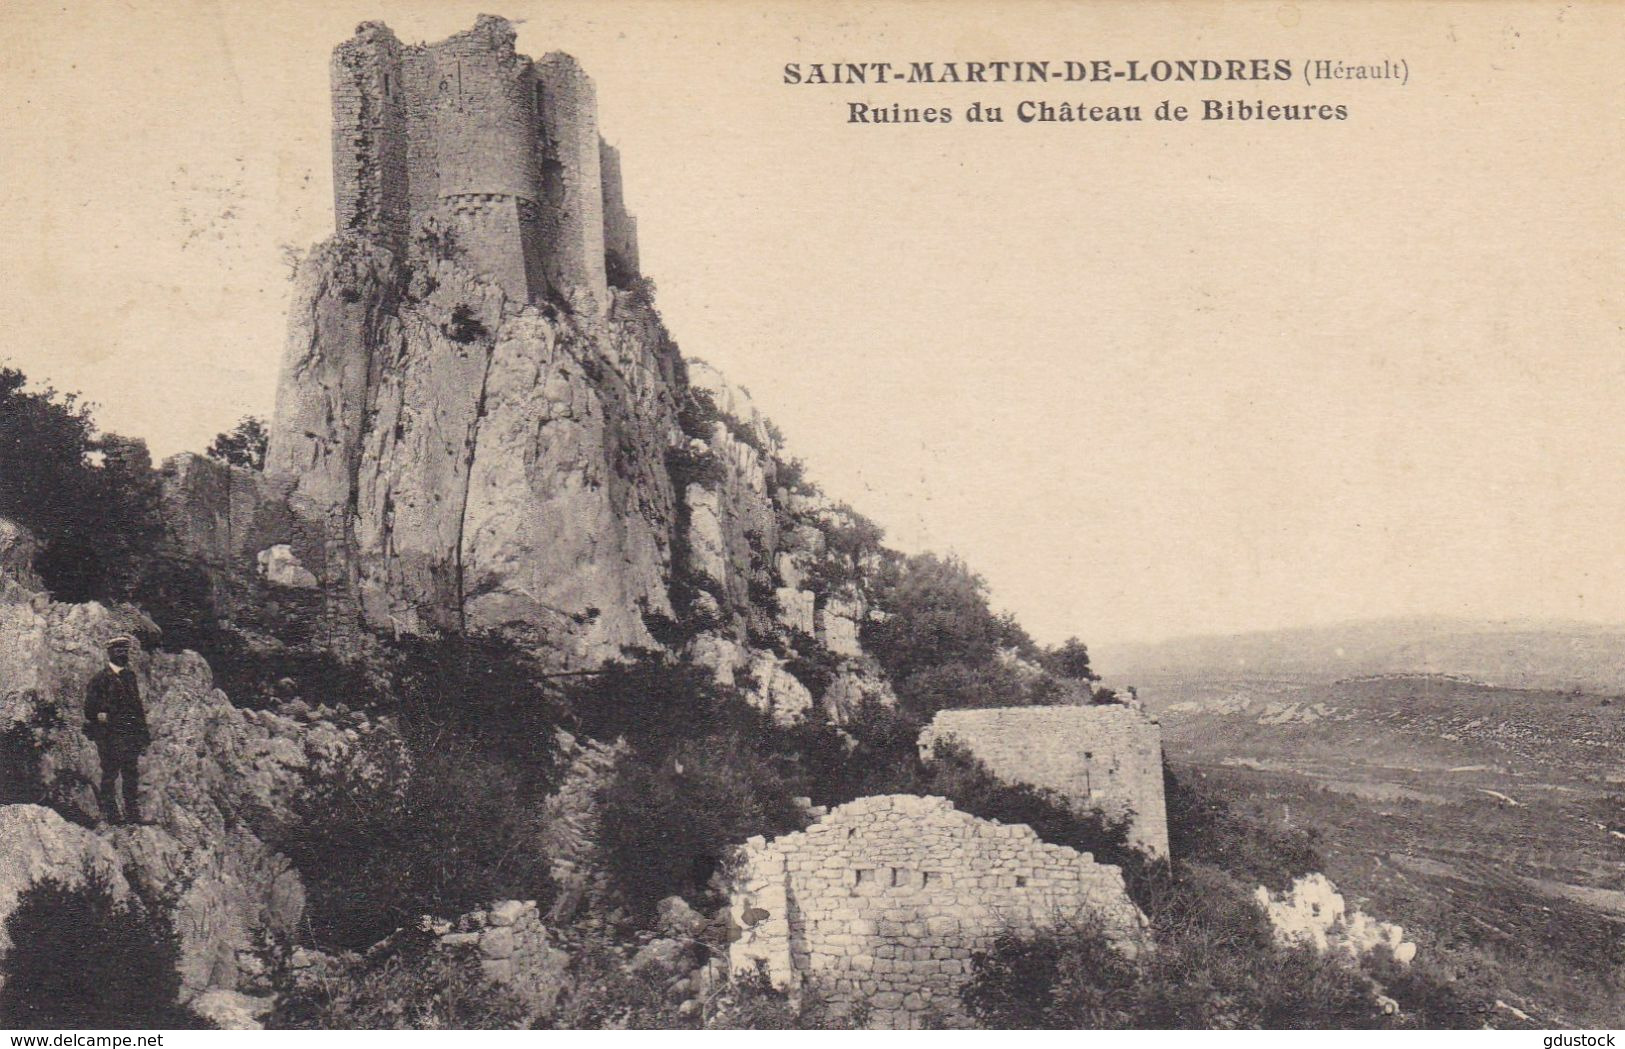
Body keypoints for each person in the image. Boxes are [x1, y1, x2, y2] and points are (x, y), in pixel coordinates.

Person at [84, 635, 150, 825]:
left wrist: (143, 734)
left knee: (131, 774)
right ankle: (112, 815)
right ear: (110, 653)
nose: (122, 654)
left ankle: (133, 815)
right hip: (109, 736)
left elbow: (137, 707)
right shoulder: (100, 679)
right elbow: (89, 708)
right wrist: (99, 714)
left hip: (129, 735)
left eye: (124, 650)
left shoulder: (130, 677)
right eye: (118, 650)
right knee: (110, 774)